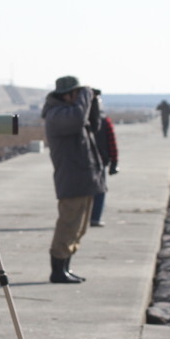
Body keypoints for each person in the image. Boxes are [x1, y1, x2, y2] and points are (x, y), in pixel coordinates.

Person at [42, 75, 106, 284]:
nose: (81, 98)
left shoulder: (70, 112)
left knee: (79, 227)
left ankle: (65, 267)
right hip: (71, 178)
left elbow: (94, 125)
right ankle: (57, 271)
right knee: (68, 224)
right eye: (78, 94)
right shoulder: (57, 114)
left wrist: (93, 102)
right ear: (67, 95)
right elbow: (78, 119)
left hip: (83, 177)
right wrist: (86, 95)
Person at [90, 94, 119, 228]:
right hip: (100, 161)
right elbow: (112, 144)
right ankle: (95, 218)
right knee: (99, 190)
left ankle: (86, 217)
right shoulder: (105, 120)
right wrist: (114, 162)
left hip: (85, 162)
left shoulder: (79, 120)